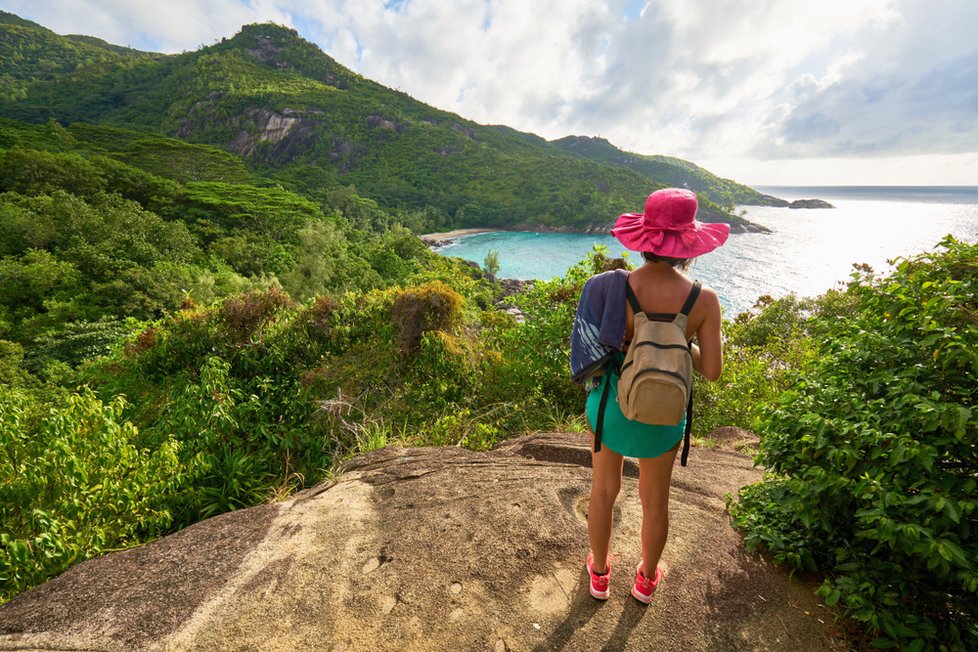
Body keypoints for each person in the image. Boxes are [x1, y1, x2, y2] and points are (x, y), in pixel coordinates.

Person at [569, 188, 728, 603]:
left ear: (645, 240)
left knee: (604, 491)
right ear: (688, 245)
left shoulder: (613, 289)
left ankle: (600, 573)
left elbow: (598, 347)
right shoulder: (704, 300)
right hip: (664, 417)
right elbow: (711, 371)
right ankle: (646, 579)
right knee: (656, 501)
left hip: (612, 412)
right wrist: (679, 336)